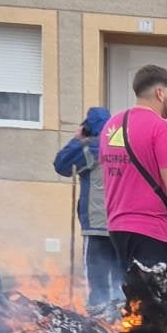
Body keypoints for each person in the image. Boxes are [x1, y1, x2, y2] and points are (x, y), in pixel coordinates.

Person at [100, 66, 167, 275]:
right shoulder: (161, 128)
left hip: (117, 227)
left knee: (132, 302)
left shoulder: (111, 125)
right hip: (152, 231)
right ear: (160, 93)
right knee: (155, 304)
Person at [52, 105, 122, 312]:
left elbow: (61, 164)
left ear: (88, 127)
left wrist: (77, 139)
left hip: (97, 223)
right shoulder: (123, 146)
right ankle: (121, 319)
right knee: (121, 277)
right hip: (123, 224)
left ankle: (99, 319)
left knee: (98, 278)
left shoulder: (90, 147)